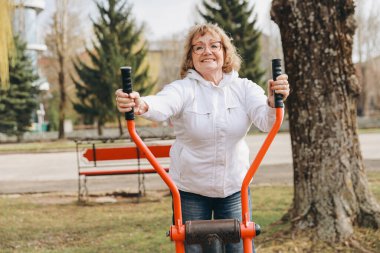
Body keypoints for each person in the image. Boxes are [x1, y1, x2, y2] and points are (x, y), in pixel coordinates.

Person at [115, 23, 290, 253]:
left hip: (234, 186)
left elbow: (267, 121)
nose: (207, 51)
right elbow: (162, 103)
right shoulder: (184, 89)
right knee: (194, 248)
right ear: (191, 57)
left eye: (214, 45)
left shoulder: (244, 88)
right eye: (198, 47)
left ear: (225, 52)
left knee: (238, 247)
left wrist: (273, 101)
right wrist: (140, 103)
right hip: (190, 189)